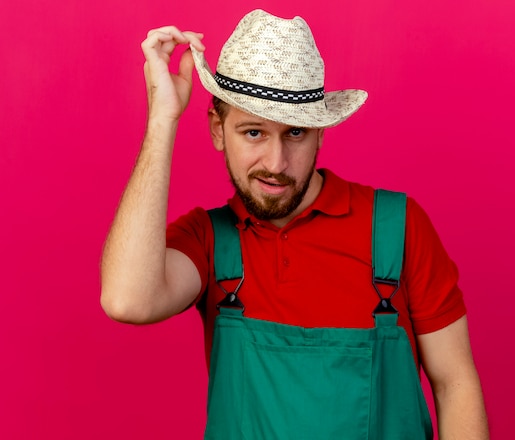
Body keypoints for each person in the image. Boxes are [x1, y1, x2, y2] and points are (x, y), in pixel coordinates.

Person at [100, 9, 489, 440]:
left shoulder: (398, 228)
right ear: (217, 129)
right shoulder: (210, 240)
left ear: (321, 132)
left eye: (295, 133)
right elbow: (126, 300)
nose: (276, 164)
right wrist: (162, 120)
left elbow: (455, 382)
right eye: (253, 133)